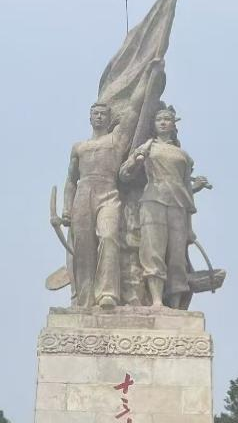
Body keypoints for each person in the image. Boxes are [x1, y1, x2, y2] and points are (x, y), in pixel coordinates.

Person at [61, 59, 164, 309]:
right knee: (84, 248)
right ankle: (85, 298)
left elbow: (134, 106)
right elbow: (71, 181)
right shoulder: (79, 147)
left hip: (108, 194)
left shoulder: (117, 139)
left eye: (103, 114)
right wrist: (66, 208)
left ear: (109, 119)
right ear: (90, 118)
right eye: (95, 114)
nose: (99, 117)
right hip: (83, 195)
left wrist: (147, 75)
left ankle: (108, 293)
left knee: (108, 237)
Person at [119, 103, 211, 309]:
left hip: (178, 206)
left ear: (173, 125)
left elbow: (186, 190)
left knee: (177, 257)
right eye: (159, 119)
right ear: (153, 124)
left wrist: (190, 226)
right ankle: (156, 301)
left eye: (167, 119)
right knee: (154, 251)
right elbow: (124, 175)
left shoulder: (183, 156)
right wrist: (137, 160)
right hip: (153, 201)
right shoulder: (147, 147)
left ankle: (175, 304)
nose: (162, 122)